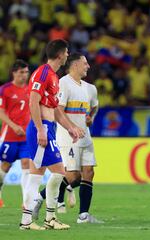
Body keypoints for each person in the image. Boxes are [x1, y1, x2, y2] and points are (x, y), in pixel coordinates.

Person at [19, 39, 84, 230]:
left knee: (36, 175)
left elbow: (54, 110)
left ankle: (34, 220)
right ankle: (44, 218)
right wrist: (40, 129)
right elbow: (33, 101)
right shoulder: (43, 73)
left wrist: (70, 127)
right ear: (59, 54)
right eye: (66, 52)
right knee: (58, 173)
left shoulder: (53, 77)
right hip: (41, 129)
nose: (67, 55)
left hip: (48, 128)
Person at [33, 53, 102, 223]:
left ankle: (83, 216)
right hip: (67, 137)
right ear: (75, 65)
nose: (88, 66)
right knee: (72, 176)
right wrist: (72, 127)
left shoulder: (90, 88)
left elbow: (95, 106)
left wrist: (90, 117)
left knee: (89, 173)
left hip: (85, 137)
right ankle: (40, 198)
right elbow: (59, 111)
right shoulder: (63, 83)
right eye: (85, 63)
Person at [0, 60, 30, 208]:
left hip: (26, 136)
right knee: (5, 166)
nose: (24, 76)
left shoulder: (31, 90)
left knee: (26, 163)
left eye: (26, 72)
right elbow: (1, 111)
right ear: (14, 73)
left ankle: (26, 201)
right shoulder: (5, 90)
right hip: (9, 135)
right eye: (21, 73)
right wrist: (13, 125)